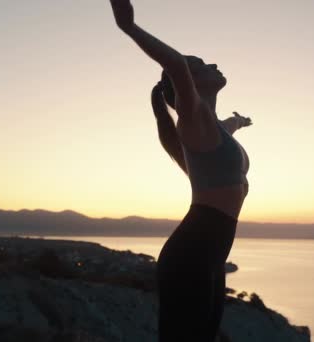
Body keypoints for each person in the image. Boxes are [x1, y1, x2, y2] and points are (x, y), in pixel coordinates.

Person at [109, 1, 252, 341]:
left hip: (211, 255)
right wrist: (129, 27)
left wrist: (241, 121)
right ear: (188, 83)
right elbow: (175, 66)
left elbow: (227, 127)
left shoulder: (211, 129)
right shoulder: (193, 120)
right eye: (201, 65)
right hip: (193, 252)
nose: (213, 64)